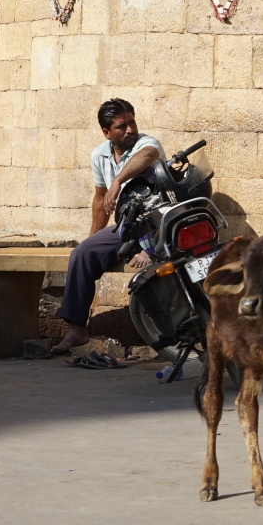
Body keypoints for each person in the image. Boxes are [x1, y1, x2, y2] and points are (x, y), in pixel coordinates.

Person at [50, 99, 166, 354]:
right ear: (106, 132)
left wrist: (118, 181)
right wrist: (92, 237)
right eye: (121, 126)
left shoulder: (147, 144)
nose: (130, 130)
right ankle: (77, 329)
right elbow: (100, 199)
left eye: (132, 122)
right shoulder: (99, 155)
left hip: (157, 225)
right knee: (81, 254)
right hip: (127, 226)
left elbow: (147, 157)